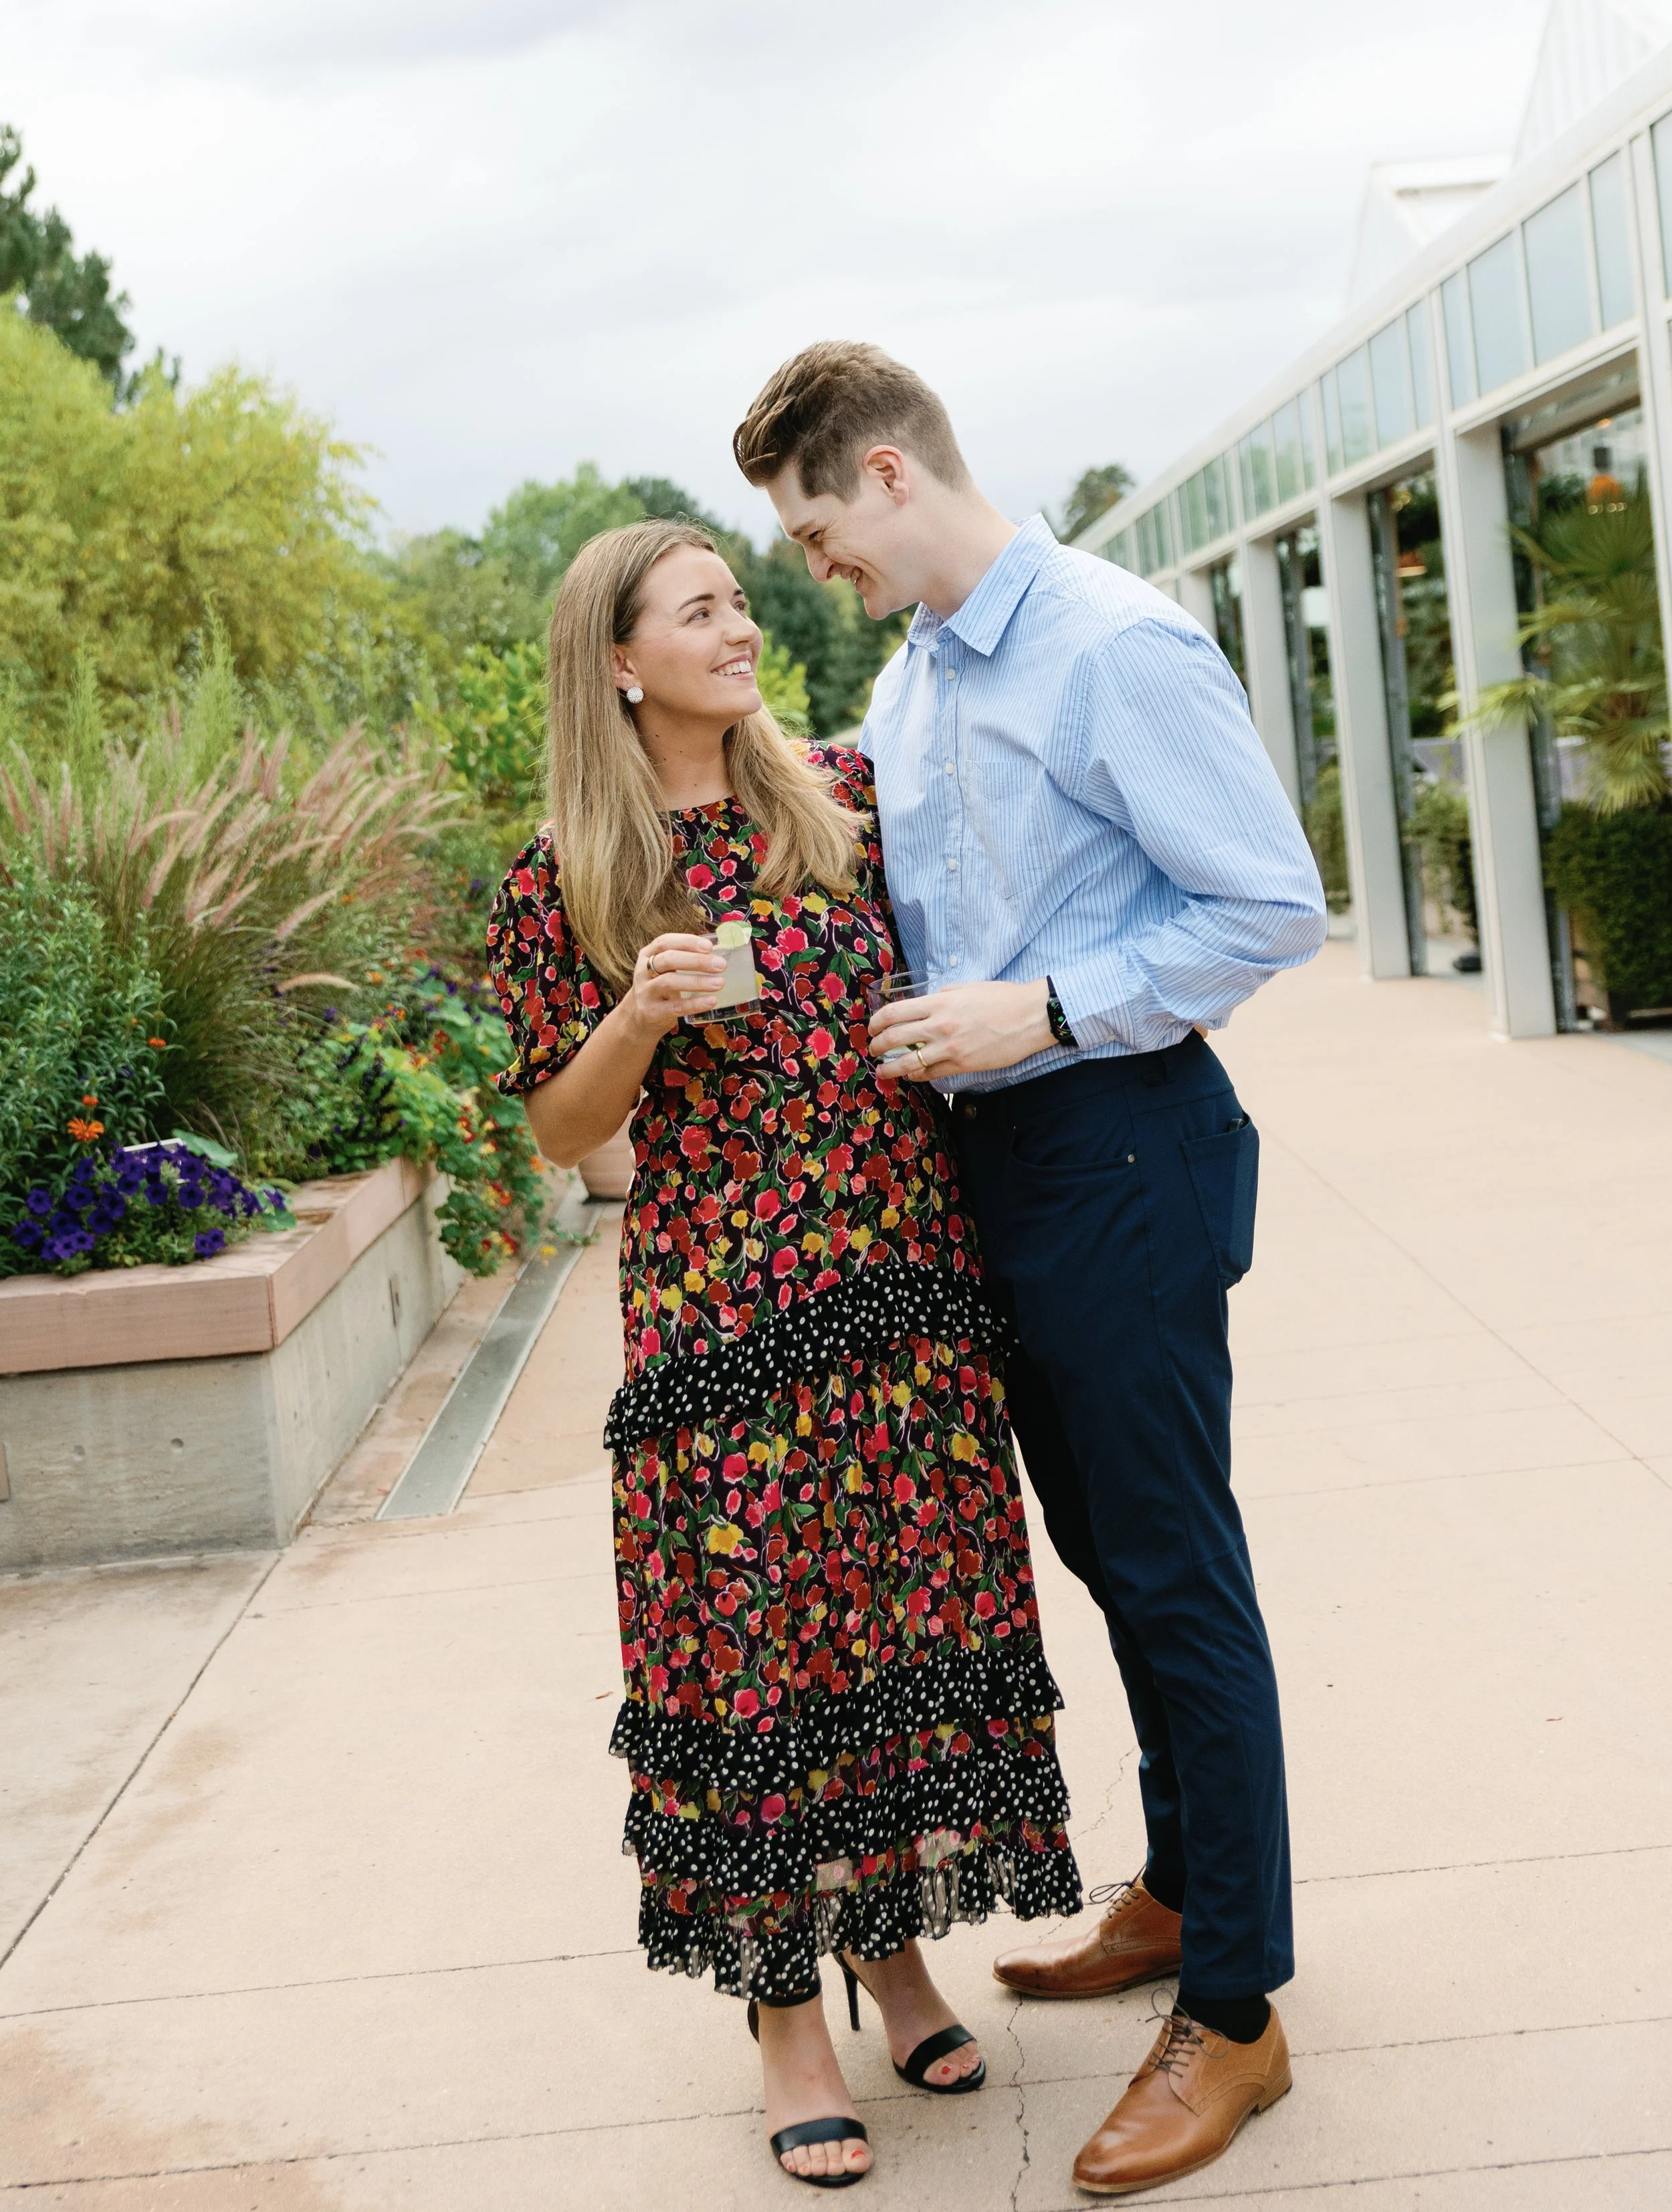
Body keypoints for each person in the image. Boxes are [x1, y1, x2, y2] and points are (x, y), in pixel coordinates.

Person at [734, 343, 1328, 2199]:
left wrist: (1046, 1007)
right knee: (1104, 1553)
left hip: (1119, 1144)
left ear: (891, 474)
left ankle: (1232, 2010)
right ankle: (1175, 1888)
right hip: (995, 1169)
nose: (814, 569)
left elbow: (1265, 900)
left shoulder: (1110, 644)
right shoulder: (906, 684)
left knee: (1170, 1567)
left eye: (818, 529)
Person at [485, 518, 1081, 2191]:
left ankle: (890, 1958)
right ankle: (784, 2021)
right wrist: (640, 1013)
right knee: (756, 1645)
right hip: (723, 1320)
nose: (741, 625)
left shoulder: (842, 795)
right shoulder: (567, 871)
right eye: (701, 610)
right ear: (619, 658)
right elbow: (557, 1130)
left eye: (740, 599)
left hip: (896, 1287)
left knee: (897, 1612)